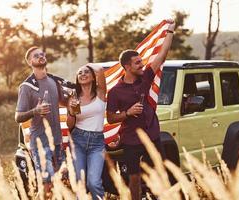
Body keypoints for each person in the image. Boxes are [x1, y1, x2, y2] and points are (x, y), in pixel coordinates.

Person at [106, 19, 175, 200]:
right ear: (127, 67)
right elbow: (111, 118)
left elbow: (162, 55)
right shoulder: (115, 92)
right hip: (131, 141)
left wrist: (170, 31)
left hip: (153, 136)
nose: (142, 65)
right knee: (134, 178)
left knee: (160, 172)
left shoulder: (145, 78)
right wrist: (127, 113)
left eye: (141, 61)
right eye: (137, 63)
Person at [15, 46, 69, 197]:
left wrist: (72, 101)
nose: (40, 56)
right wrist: (35, 111)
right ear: (30, 62)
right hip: (40, 143)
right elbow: (18, 117)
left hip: (57, 142)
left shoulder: (53, 81)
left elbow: (63, 102)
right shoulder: (26, 87)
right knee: (48, 183)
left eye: (42, 54)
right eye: (36, 55)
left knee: (59, 183)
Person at [66, 63, 107, 200]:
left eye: (86, 72)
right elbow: (70, 124)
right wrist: (71, 112)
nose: (82, 74)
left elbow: (100, 70)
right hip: (78, 140)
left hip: (97, 143)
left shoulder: (101, 93)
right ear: (77, 79)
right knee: (80, 182)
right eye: (80, 73)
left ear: (93, 77)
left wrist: (86, 65)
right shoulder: (74, 97)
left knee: (94, 182)